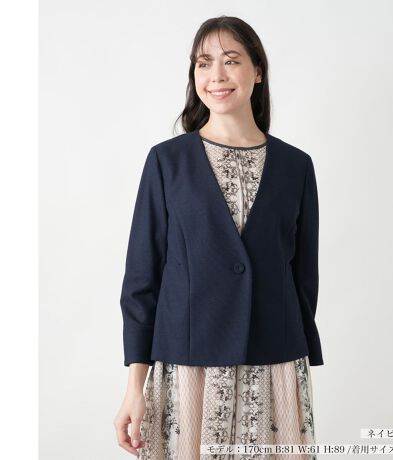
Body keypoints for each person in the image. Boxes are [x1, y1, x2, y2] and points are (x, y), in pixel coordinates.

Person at [114, 15, 323, 460]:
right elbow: (142, 280)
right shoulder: (167, 162)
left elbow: (304, 278)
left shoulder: (296, 166)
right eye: (204, 63)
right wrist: (135, 387)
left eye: (231, 61)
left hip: (275, 365)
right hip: (189, 367)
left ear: (257, 70)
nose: (216, 76)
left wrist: (297, 360)